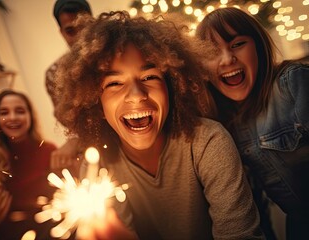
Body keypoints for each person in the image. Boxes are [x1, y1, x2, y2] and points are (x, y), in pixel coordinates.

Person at [54, 11, 265, 239]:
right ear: (95, 103)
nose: (136, 95)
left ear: (172, 87)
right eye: (115, 83)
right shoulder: (97, 167)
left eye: (149, 77)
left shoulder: (208, 142)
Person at [196, 7, 309, 240]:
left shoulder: (293, 83)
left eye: (237, 44)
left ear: (257, 46)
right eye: (212, 52)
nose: (227, 59)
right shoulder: (221, 126)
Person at [0, 90, 57, 240]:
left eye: (19, 111)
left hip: (48, 232)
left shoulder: (48, 150)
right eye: (4, 112)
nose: (12, 118)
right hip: (7, 234)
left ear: (30, 116)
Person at [45, 0, 93, 177]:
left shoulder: (116, 59)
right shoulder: (54, 75)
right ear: (61, 33)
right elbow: (71, 126)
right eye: (71, 31)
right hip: (90, 156)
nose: (79, 37)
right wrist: (76, 141)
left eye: (84, 27)